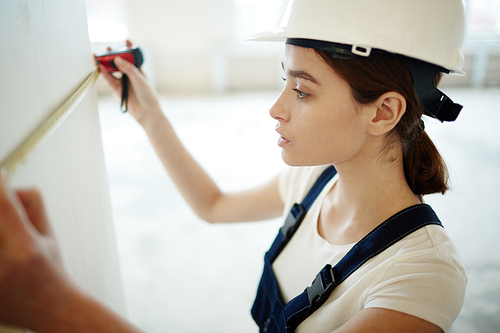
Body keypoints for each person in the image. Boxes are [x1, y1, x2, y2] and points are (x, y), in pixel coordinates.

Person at [0, 0, 467, 332]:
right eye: (285, 81)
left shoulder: (421, 278)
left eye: (302, 91)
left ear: (383, 112)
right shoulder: (315, 181)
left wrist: (55, 306)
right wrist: (151, 116)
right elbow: (214, 204)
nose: (277, 108)